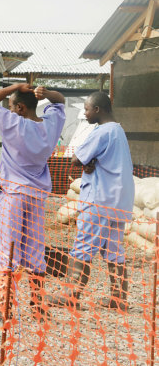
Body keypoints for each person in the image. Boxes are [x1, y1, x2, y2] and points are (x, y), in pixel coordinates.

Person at [0, 83, 65, 318]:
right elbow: (60, 101)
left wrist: (15, 86)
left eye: (10, 105)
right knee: (35, 249)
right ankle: (38, 305)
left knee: (8, 249)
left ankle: (3, 306)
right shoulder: (50, 124)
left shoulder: (14, 124)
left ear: (19, 108)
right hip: (37, 196)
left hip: (14, 194)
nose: (8, 109)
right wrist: (47, 93)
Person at [49, 92, 133, 311]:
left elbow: (77, 159)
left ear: (97, 109)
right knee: (114, 250)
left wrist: (88, 161)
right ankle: (119, 298)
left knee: (82, 246)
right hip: (117, 202)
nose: (84, 114)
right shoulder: (118, 130)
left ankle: (71, 295)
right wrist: (92, 160)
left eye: (86, 110)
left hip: (98, 199)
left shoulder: (102, 131)